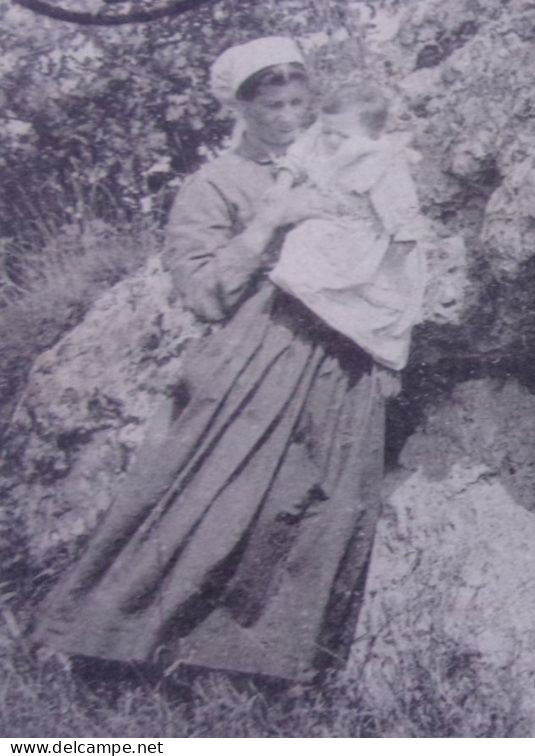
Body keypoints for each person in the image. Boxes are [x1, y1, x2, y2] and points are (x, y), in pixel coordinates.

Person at [31, 37, 396, 683]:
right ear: (241, 108)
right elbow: (203, 293)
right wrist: (268, 223)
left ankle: (264, 671)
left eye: (297, 100)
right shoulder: (214, 184)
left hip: (342, 359)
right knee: (213, 506)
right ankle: (108, 647)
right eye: (271, 105)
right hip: (253, 360)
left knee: (328, 508)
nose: (287, 115)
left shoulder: (347, 156)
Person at [269, 85, 429, 372]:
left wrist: (397, 251)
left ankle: (345, 331)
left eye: (340, 135)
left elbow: (402, 215)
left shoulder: (381, 162)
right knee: (301, 242)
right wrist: (283, 181)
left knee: (372, 294)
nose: (330, 139)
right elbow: (301, 150)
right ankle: (314, 312)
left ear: (371, 135)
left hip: (369, 237)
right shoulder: (326, 137)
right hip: (336, 223)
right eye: (327, 130)